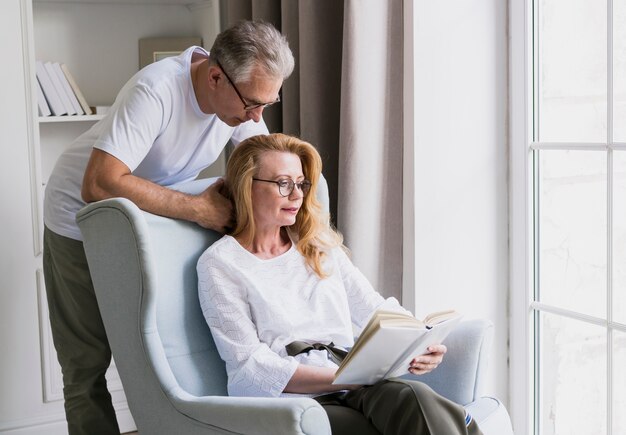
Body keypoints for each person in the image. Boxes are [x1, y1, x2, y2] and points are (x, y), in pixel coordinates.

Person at [43, 21, 294, 435]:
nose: (256, 116)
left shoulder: (240, 97)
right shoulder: (155, 92)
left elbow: (266, 159)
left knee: (155, 347)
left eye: (267, 103)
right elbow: (99, 183)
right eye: (252, 103)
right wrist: (197, 209)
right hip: (79, 217)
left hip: (146, 215)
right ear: (215, 76)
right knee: (86, 360)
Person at [197, 133, 483, 435]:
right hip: (294, 401)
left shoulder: (318, 245)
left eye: (301, 183)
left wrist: (420, 342)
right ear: (247, 187)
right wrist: (344, 377)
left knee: (413, 395)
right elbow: (250, 366)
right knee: (413, 414)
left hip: (355, 382)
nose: (297, 195)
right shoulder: (221, 264)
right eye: (283, 183)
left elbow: (374, 310)